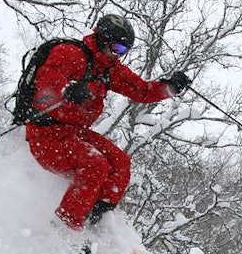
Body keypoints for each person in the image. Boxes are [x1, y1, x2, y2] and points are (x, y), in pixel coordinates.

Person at [24, 14, 190, 232]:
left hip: (75, 133)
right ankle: (64, 227)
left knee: (120, 163)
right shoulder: (71, 53)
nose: (119, 55)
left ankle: (96, 223)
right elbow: (46, 76)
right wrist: (67, 88)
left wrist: (170, 87)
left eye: (125, 51)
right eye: (118, 48)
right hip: (47, 134)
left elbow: (142, 91)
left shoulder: (109, 69)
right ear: (103, 39)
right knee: (95, 165)